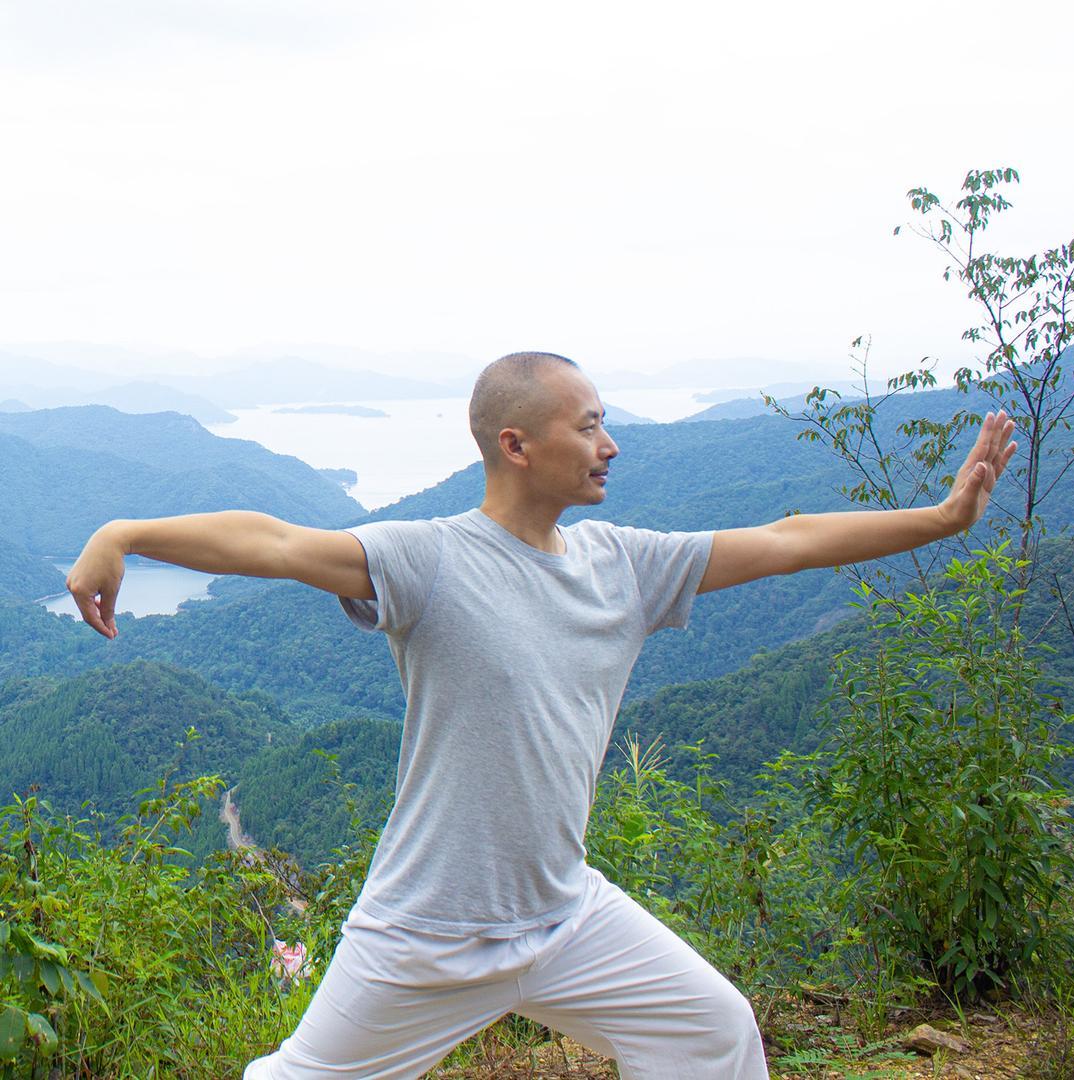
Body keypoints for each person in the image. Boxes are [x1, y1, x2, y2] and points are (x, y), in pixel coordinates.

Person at [67, 352, 1017, 1079]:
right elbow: (273, 541)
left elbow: (787, 539)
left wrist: (941, 520)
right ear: (516, 445)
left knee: (714, 1032)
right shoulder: (431, 559)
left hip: (564, 915)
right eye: (590, 426)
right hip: (428, 931)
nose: (611, 445)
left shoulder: (624, 564)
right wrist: (125, 533)